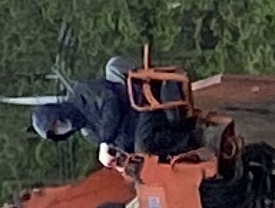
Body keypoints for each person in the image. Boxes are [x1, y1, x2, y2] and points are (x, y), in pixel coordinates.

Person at [23, 57, 199, 160]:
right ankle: (189, 153)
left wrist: (105, 139)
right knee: (144, 160)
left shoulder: (83, 93)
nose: (62, 127)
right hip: (141, 127)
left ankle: (196, 139)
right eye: (58, 131)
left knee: (144, 146)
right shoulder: (89, 133)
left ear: (57, 112)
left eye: (57, 123)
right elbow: (121, 144)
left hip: (143, 105)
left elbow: (111, 102)